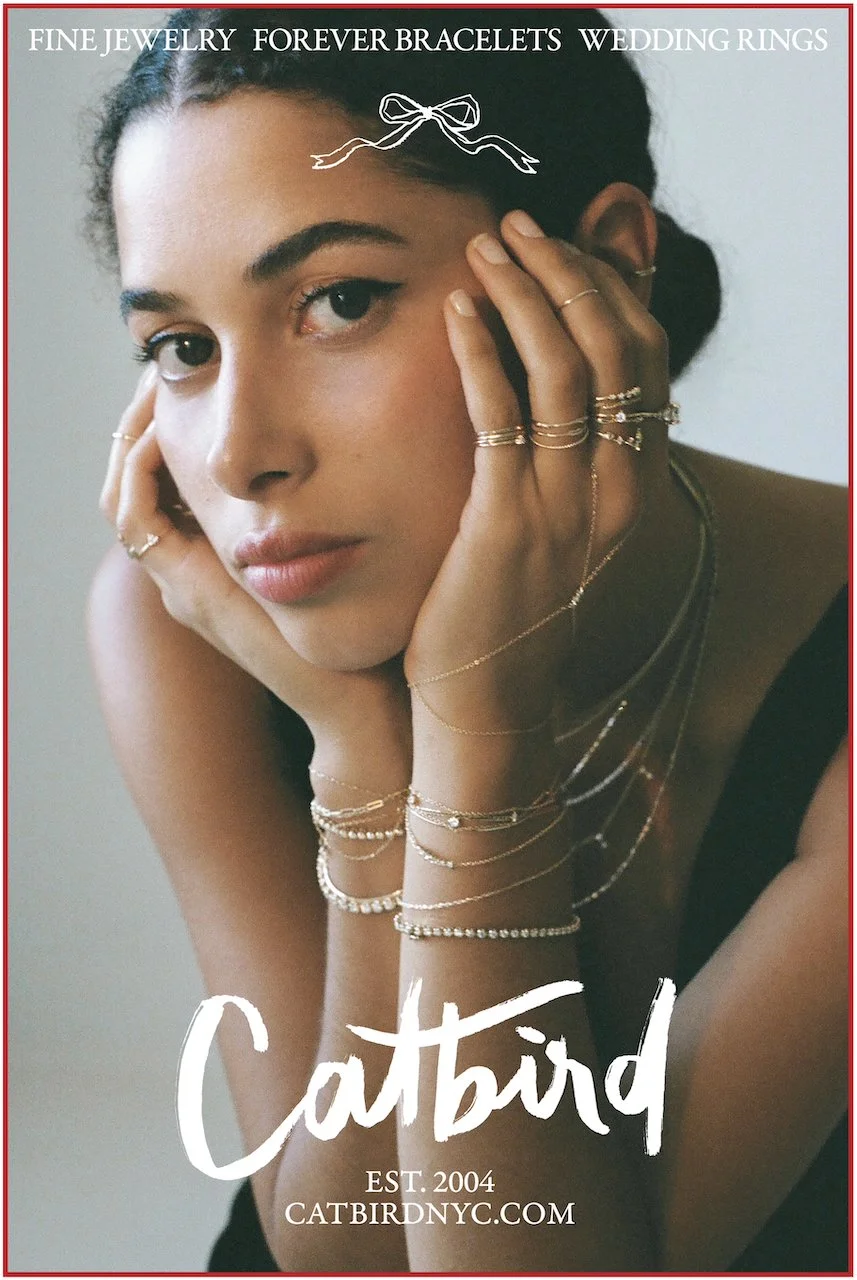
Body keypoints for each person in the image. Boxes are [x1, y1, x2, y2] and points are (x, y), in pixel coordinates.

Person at [85, 7, 847, 1273]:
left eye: (339, 301)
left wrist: (475, 729)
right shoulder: (188, 622)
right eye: (181, 347)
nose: (236, 452)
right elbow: (337, 1254)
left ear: (602, 264)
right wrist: (363, 757)